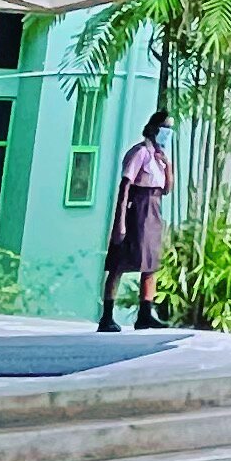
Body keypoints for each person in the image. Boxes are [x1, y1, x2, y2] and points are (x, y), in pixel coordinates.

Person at [100, 111, 175, 331]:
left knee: (150, 264)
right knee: (119, 264)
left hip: (154, 209)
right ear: (154, 128)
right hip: (137, 208)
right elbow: (125, 186)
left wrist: (167, 165)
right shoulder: (140, 152)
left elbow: (167, 189)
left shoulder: (160, 158)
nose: (167, 133)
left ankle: (145, 313)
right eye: (165, 127)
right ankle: (107, 316)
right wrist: (120, 221)